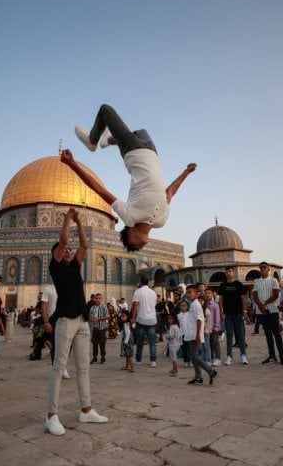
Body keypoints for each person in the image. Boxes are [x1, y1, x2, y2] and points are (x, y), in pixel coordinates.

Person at [66, 104, 197, 251]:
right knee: (141, 131)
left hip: (133, 152)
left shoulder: (130, 217)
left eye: (134, 245)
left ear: (130, 231)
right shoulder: (161, 221)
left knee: (105, 110)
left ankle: (92, 141)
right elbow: (171, 191)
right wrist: (186, 172)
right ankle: (108, 140)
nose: (139, 247)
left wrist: (73, 164)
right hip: (151, 152)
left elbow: (100, 190)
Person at [45, 207, 107, 436]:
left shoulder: (73, 266)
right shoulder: (55, 267)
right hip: (65, 321)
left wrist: (80, 222)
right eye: (64, 251)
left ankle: (86, 410)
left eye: (69, 251)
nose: (68, 252)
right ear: (57, 255)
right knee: (58, 367)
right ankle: (51, 416)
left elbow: (84, 246)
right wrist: (68, 219)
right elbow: (62, 240)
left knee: (83, 367)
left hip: (82, 321)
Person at [182, 285, 218, 386]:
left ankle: (211, 372)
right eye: (187, 292)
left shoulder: (196, 305)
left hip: (195, 334)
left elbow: (199, 320)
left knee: (195, 356)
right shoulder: (192, 304)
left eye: (190, 292)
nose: (188, 294)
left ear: (196, 293)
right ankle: (198, 377)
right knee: (193, 357)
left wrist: (198, 335)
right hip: (191, 334)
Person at [252, 262, 283, 365]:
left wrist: (264, 303)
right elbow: (255, 295)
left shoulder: (273, 280)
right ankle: (272, 356)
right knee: (268, 334)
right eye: (261, 267)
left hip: (272, 310)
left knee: (276, 334)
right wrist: (261, 307)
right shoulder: (257, 281)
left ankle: (282, 356)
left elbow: (275, 295)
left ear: (268, 269)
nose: (262, 269)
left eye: (264, 267)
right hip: (261, 312)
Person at [218, 267, 248, 366]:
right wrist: (221, 310)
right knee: (229, 334)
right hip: (228, 314)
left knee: (240, 334)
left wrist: (244, 311)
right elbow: (221, 299)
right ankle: (229, 356)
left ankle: (243, 355)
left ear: (233, 273)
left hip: (238, 314)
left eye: (230, 271)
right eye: (226, 271)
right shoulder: (223, 285)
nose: (228, 273)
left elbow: (243, 298)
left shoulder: (238, 284)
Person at [41, 284, 70, 379]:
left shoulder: (68, 287)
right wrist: (46, 322)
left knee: (67, 346)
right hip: (53, 320)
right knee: (55, 346)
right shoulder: (48, 289)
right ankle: (58, 369)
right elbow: (43, 307)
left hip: (66, 319)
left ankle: (63, 366)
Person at [131, 276, 158, 367]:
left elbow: (136, 305)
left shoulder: (138, 292)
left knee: (139, 341)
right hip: (152, 320)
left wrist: (133, 317)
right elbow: (154, 304)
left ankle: (138, 360)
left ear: (141, 282)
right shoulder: (153, 292)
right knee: (152, 342)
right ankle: (153, 361)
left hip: (141, 319)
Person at [89, 293, 109, 364]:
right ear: (94, 299)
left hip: (102, 328)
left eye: (99, 298)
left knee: (102, 343)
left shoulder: (104, 307)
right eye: (96, 298)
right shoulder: (92, 307)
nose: (97, 300)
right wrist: (92, 319)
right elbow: (90, 317)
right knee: (94, 343)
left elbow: (107, 316)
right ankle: (95, 357)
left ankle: (103, 357)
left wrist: (99, 319)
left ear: (101, 299)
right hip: (94, 328)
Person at [204, 289, 221, 366]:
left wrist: (216, 327)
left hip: (213, 327)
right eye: (206, 293)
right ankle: (211, 358)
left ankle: (218, 358)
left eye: (209, 293)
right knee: (209, 343)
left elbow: (217, 316)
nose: (207, 295)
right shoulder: (204, 305)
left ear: (212, 295)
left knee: (215, 342)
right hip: (207, 328)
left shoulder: (215, 305)